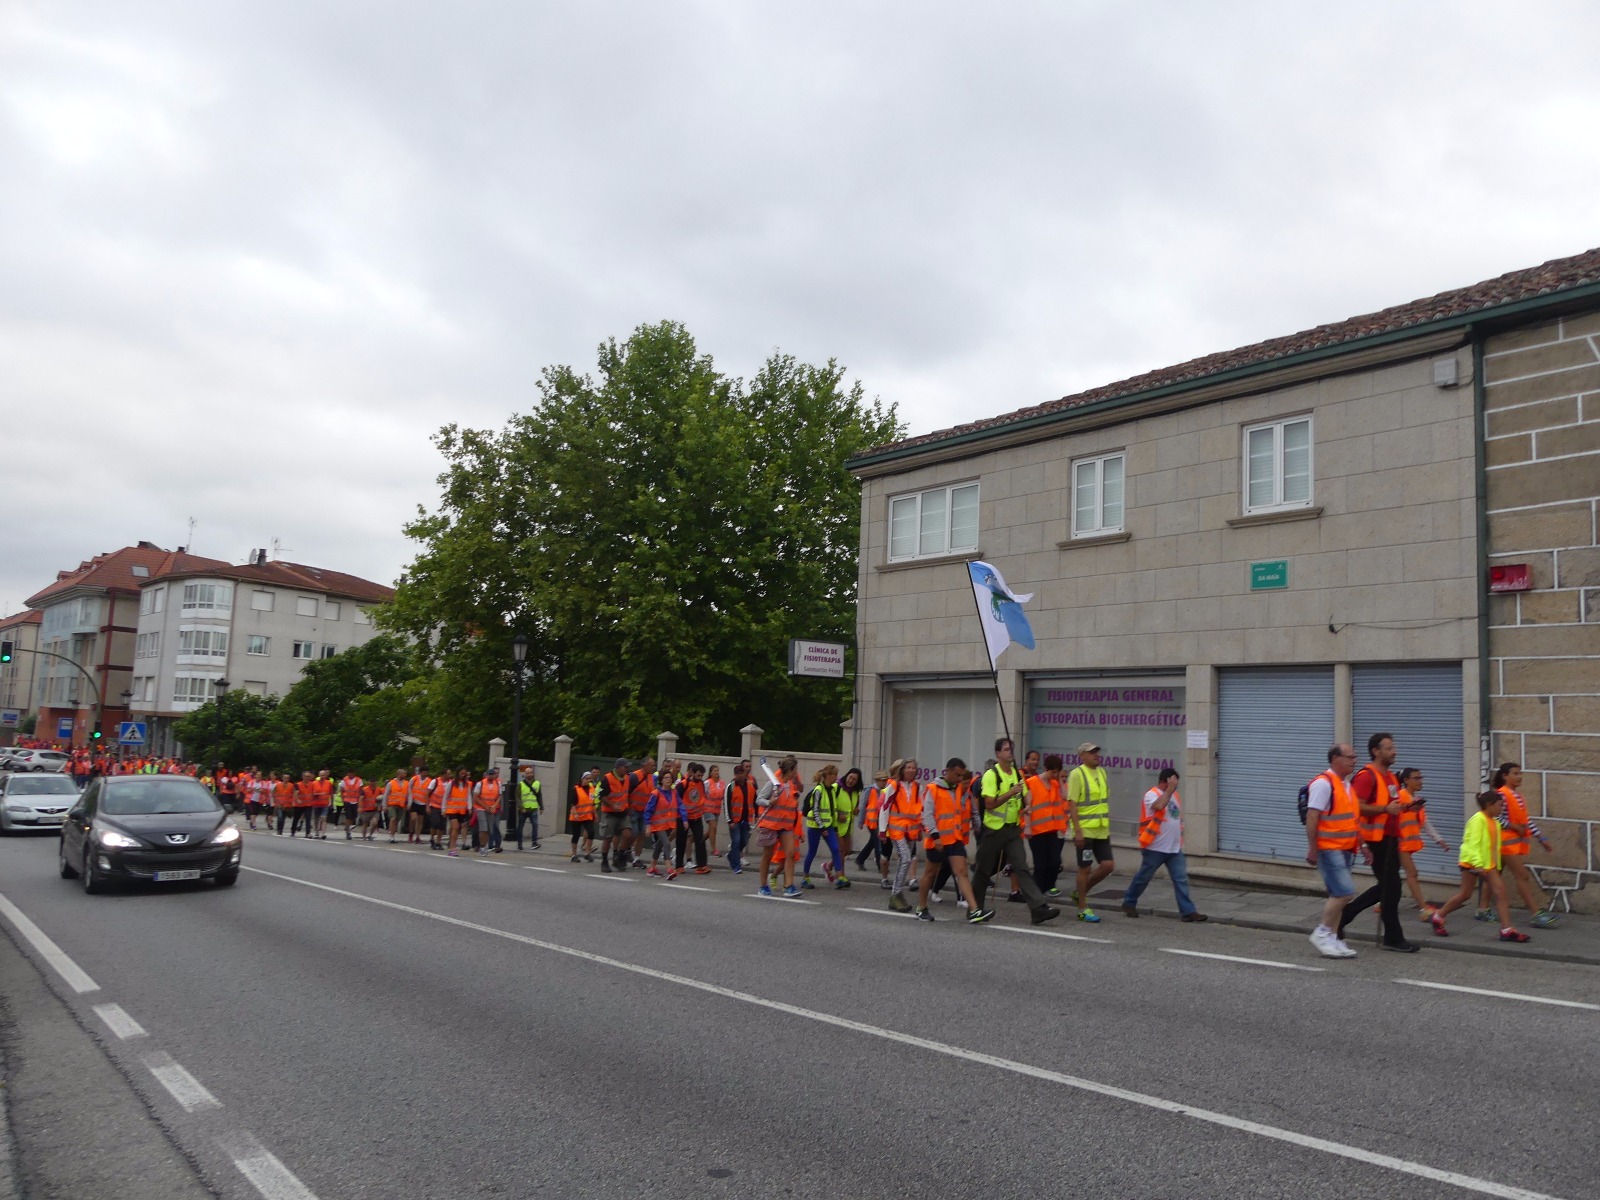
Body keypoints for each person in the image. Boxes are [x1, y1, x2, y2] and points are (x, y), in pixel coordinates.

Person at [1338, 733, 1418, 953]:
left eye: (1394, 747)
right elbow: (1356, 806)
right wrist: (1385, 809)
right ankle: (1392, 937)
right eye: (1389, 748)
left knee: (1388, 887)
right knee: (1392, 887)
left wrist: (1406, 807)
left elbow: (1391, 805)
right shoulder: (1366, 776)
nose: (1394, 752)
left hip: (1390, 839)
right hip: (1375, 841)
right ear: (1376, 751)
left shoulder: (1390, 777)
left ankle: (1344, 916)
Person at [970, 738, 1059, 925]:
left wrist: (1028, 805)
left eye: (1011, 749)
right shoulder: (991, 775)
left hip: (1012, 829)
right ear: (998, 754)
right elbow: (989, 803)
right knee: (983, 870)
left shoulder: (1016, 774)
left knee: (1022, 867)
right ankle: (975, 908)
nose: (1010, 752)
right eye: (1006, 749)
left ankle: (1038, 908)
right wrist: (1011, 792)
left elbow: (1026, 793)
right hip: (993, 830)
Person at [1428, 792, 1530, 942]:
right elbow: (1472, 845)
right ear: (1489, 805)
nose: (1501, 809)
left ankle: (1507, 929)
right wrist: (1479, 865)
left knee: (1501, 892)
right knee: (1465, 895)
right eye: (1499, 805)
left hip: (1488, 864)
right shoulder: (1477, 820)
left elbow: (1493, 847)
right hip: (1472, 863)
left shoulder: (1494, 822)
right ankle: (1438, 916)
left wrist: (1494, 864)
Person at [1120, 768, 1207, 922]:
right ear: (1165, 781)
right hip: (1155, 848)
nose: (1176, 785)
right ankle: (1129, 902)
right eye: (1173, 782)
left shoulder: (1174, 795)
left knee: (1181, 880)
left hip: (1174, 848)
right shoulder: (1151, 794)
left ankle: (1188, 912)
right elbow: (1159, 806)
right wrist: (1169, 790)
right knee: (1143, 877)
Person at [915, 758, 990, 923]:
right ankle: (921, 907)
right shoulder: (932, 789)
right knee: (930, 874)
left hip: (955, 839)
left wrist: (978, 826)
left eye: (961, 775)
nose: (959, 778)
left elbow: (966, 811)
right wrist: (935, 836)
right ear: (947, 771)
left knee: (962, 872)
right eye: (957, 775)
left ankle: (974, 910)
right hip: (938, 841)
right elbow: (927, 815)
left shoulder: (958, 790)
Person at [1305, 744, 1360, 958]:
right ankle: (1322, 932)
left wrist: (1362, 846)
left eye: (1355, 757)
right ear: (1336, 758)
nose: (1354, 761)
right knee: (1344, 892)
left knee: (1337, 894)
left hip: (1346, 847)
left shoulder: (1345, 785)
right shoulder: (1323, 783)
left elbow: (1352, 819)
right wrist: (1313, 848)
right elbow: (1312, 817)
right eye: (1350, 757)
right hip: (1328, 848)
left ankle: (1333, 938)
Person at [1492, 763, 1559, 928]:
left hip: (1511, 844)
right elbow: (1494, 817)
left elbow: (1525, 819)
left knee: (1493, 876)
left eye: (1520, 773)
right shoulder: (1501, 794)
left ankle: (1482, 909)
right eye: (1515, 773)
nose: (1520, 776)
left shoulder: (1517, 796)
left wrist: (1540, 837)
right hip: (1505, 844)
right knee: (1522, 875)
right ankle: (1535, 914)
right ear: (1505, 776)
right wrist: (1513, 826)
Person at [1067, 743, 1114, 922]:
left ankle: (1081, 892)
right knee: (1085, 868)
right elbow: (1072, 803)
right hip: (1085, 830)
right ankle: (1082, 908)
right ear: (1082, 756)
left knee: (1108, 865)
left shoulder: (1102, 772)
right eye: (1092, 752)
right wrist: (1077, 831)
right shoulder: (1077, 774)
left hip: (1101, 829)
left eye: (1097, 752)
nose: (1096, 755)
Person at [1395, 767, 1449, 915]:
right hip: (1399, 843)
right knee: (1412, 873)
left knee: (1390, 876)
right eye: (1416, 778)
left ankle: (1382, 902)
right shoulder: (1400, 796)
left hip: (1406, 844)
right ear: (1406, 780)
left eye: (1421, 778)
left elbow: (1424, 823)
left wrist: (1439, 840)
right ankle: (1423, 908)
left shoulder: (1416, 801)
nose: (1420, 781)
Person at [755, 755, 803, 898]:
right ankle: (763, 886)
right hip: (771, 824)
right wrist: (770, 802)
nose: (796, 773)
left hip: (785, 825)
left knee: (790, 853)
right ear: (789, 770)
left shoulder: (790, 784)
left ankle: (789, 886)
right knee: (767, 856)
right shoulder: (773, 783)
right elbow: (759, 799)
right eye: (795, 770)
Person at [879, 759, 924, 912]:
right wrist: (882, 830)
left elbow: (920, 809)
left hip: (911, 830)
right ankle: (896, 893)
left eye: (913, 768)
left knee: (905, 860)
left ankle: (896, 895)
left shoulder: (918, 787)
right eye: (908, 767)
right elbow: (885, 808)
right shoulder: (894, 786)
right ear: (902, 769)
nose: (911, 770)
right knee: (905, 858)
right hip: (896, 829)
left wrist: (920, 828)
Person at [1022, 754, 1068, 898]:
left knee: (1055, 862)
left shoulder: (1055, 783)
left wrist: (1059, 780)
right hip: (1036, 830)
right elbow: (1027, 806)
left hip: (1052, 829)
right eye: (1053, 772)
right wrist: (1027, 826)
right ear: (1046, 769)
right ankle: (1037, 892)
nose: (1055, 775)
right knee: (1040, 864)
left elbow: (1065, 796)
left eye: (1057, 772)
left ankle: (1049, 886)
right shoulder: (1032, 782)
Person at [801, 764, 849, 890]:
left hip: (829, 826)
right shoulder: (818, 790)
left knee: (836, 849)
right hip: (815, 826)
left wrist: (834, 827)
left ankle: (840, 877)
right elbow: (815, 810)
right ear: (827, 775)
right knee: (812, 852)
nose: (836, 777)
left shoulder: (832, 790)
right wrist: (822, 828)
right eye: (834, 775)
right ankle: (805, 878)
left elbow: (832, 811)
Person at [643, 765, 686, 878]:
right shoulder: (655, 793)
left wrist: (684, 819)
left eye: (670, 778)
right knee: (666, 843)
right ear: (661, 780)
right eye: (666, 778)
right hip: (658, 825)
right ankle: (669, 868)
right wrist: (648, 825)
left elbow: (680, 805)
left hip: (669, 825)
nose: (668, 780)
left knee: (659, 844)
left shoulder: (674, 793)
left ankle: (652, 867)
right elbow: (648, 810)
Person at [855, 770, 892, 888]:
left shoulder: (886, 790)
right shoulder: (869, 790)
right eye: (882, 780)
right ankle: (880, 867)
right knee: (878, 843)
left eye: (886, 780)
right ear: (877, 781)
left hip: (881, 822)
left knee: (872, 842)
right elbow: (863, 806)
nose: (884, 782)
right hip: (871, 822)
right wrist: (860, 821)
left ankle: (860, 859)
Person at [673, 762, 712, 873]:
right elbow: (676, 800)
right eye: (698, 775)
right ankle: (679, 866)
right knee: (681, 841)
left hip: (696, 817)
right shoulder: (683, 785)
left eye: (701, 775)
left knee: (700, 840)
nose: (700, 777)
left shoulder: (702, 784)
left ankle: (701, 865)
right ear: (692, 773)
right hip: (683, 817)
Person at [598, 758, 633, 873]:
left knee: (628, 834)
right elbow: (601, 795)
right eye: (625, 767)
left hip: (623, 812)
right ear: (618, 768)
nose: (627, 769)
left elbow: (627, 794)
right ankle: (604, 861)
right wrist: (612, 805)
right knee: (608, 838)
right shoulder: (607, 779)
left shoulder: (627, 778)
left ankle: (619, 857)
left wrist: (629, 807)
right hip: (610, 813)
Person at [724, 760, 757, 875]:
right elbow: (727, 804)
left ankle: (731, 855)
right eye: (737, 773)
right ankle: (736, 865)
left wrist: (756, 816)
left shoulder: (751, 786)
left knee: (744, 841)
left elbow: (755, 801)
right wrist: (729, 820)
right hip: (735, 820)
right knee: (736, 841)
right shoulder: (731, 787)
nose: (739, 775)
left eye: (741, 773)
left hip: (746, 819)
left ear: (744, 774)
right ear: (735, 775)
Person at [626, 756, 657, 870]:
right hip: (634, 809)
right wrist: (628, 807)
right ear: (645, 765)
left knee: (642, 834)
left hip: (644, 811)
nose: (653, 767)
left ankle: (636, 858)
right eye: (651, 765)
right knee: (633, 833)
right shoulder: (634, 776)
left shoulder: (651, 778)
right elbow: (627, 792)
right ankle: (626, 850)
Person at [442, 768, 473, 857]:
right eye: (461, 773)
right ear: (458, 773)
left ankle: (453, 846)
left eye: (464, 773)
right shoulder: (451, 783)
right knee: (455, 827)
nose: (463, 775)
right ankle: (452, 848)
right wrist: (443, 809)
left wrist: (469, 808)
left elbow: (468, 796)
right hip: (452, 810)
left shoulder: (467, 785)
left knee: (459, 828)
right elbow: (445, 796)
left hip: (462, 810)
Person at [473, 769, 503, 856]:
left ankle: (484, 845)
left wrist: (494, 806)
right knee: (483, 828)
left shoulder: (498, 784)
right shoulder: (480, 784)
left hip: (491, 809)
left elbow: (500, 796)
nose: (491, 776)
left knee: (489, 829)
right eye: (489, 774)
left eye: (492, 774)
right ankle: (482, 847)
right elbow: (476, 797)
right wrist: (485, 806)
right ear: (486, 775)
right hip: (481, 808)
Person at [835, 767, 863, 862]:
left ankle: (829, 865)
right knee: (841, 850)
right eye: (850, 777)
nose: (851, 781)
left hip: (848, 826)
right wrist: (838, 815)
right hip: (836, 825)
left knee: (847, 851)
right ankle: (840, 871)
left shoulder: (856, 793)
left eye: (854, 779)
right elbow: (829, 805)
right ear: (846, 776)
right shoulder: (837, 788)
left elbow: (853, 807)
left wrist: (856, 811)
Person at [569, 770, 597, 862]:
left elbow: (592, 803)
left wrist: (595, 813)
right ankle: (574, 855)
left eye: (590, 779)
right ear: (582, 779)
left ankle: (587, 853)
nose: (588, 780)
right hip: (576, 817)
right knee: (576, 835)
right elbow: (573, 804)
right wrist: (576, 813)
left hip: (587, 816)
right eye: (586, 778)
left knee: (591, 832)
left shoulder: (592, 788)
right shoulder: (576, 789)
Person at [511, 765, 540, 850]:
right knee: (520, 827)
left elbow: (539, 795)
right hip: (523, 810)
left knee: (535, 826)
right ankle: (519, 844)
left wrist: (541, 806)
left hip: (533, 808)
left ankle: (534, 843)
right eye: (527, 773)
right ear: (525, 774)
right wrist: (521, 807)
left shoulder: (537, 783)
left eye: (531, 773)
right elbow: (517, 797)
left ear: (533, 773)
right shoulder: (521, 784)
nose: (529, 774)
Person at [703, 765, 726, 860]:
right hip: (708, 809)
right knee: (713, 827)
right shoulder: (707, 783)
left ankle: (699, 841)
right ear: (711, 773)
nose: (717, 772)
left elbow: (724, 795)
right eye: (715, 771)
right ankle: (713, 850)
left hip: (717, 809)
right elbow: (702, 795)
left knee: (711, 831)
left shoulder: (722, 783)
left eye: (717, 770)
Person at [383, 769, 409, 842]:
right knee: (393, 818)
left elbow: (409, 794)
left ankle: (392, 833)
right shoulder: (391, 783)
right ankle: (391, 836)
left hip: (401, 805)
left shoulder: (407, 783)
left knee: (397, 821)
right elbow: (386, 795)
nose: (405, 775)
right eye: (403, 774)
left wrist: (409, 803)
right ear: (398, 774)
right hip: (392, 804)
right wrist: (384, 805)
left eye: (405, 774)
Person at [340, 769, 365, 840]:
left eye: (351, 773)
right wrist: (343, 800)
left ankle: (347, 826)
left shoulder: (359, 780)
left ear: (354, 773)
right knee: (349, 816)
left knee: (354, 817)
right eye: (349, 773)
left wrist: (360, 801)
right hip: (347, 801)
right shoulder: (344, 780)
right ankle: (348, 832)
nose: (350, 775)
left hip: (355, 801)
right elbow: (341, 791)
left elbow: (360, 791)